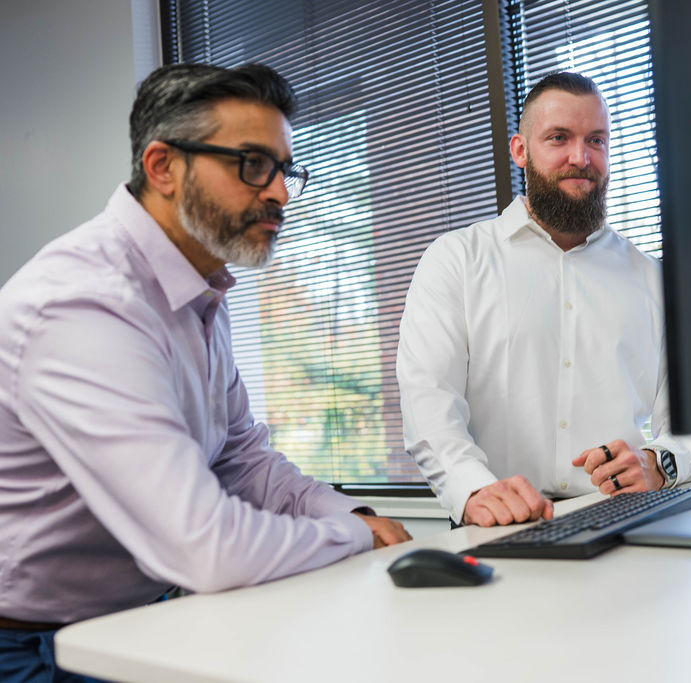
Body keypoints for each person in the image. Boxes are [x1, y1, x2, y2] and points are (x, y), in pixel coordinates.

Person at [0, 63, 410, 681]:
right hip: (31, 648)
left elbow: (242, 460)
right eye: (252, 165)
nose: (279, 193)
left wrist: (348, 516)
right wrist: (355, 541)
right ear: (163, 166)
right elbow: (206, 547)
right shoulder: (84, 302)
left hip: (144, 616)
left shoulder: (198, 293)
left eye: (283, 170)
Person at [397, 72, 691, 527]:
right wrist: (473, 489)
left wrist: (658, 463)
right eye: (558, 138)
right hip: (500, 526)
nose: (580, 157)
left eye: (596, 140)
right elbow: (428, 400)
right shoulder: (456, 260)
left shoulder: (653, 279)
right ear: (520, 150)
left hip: (625, 520)